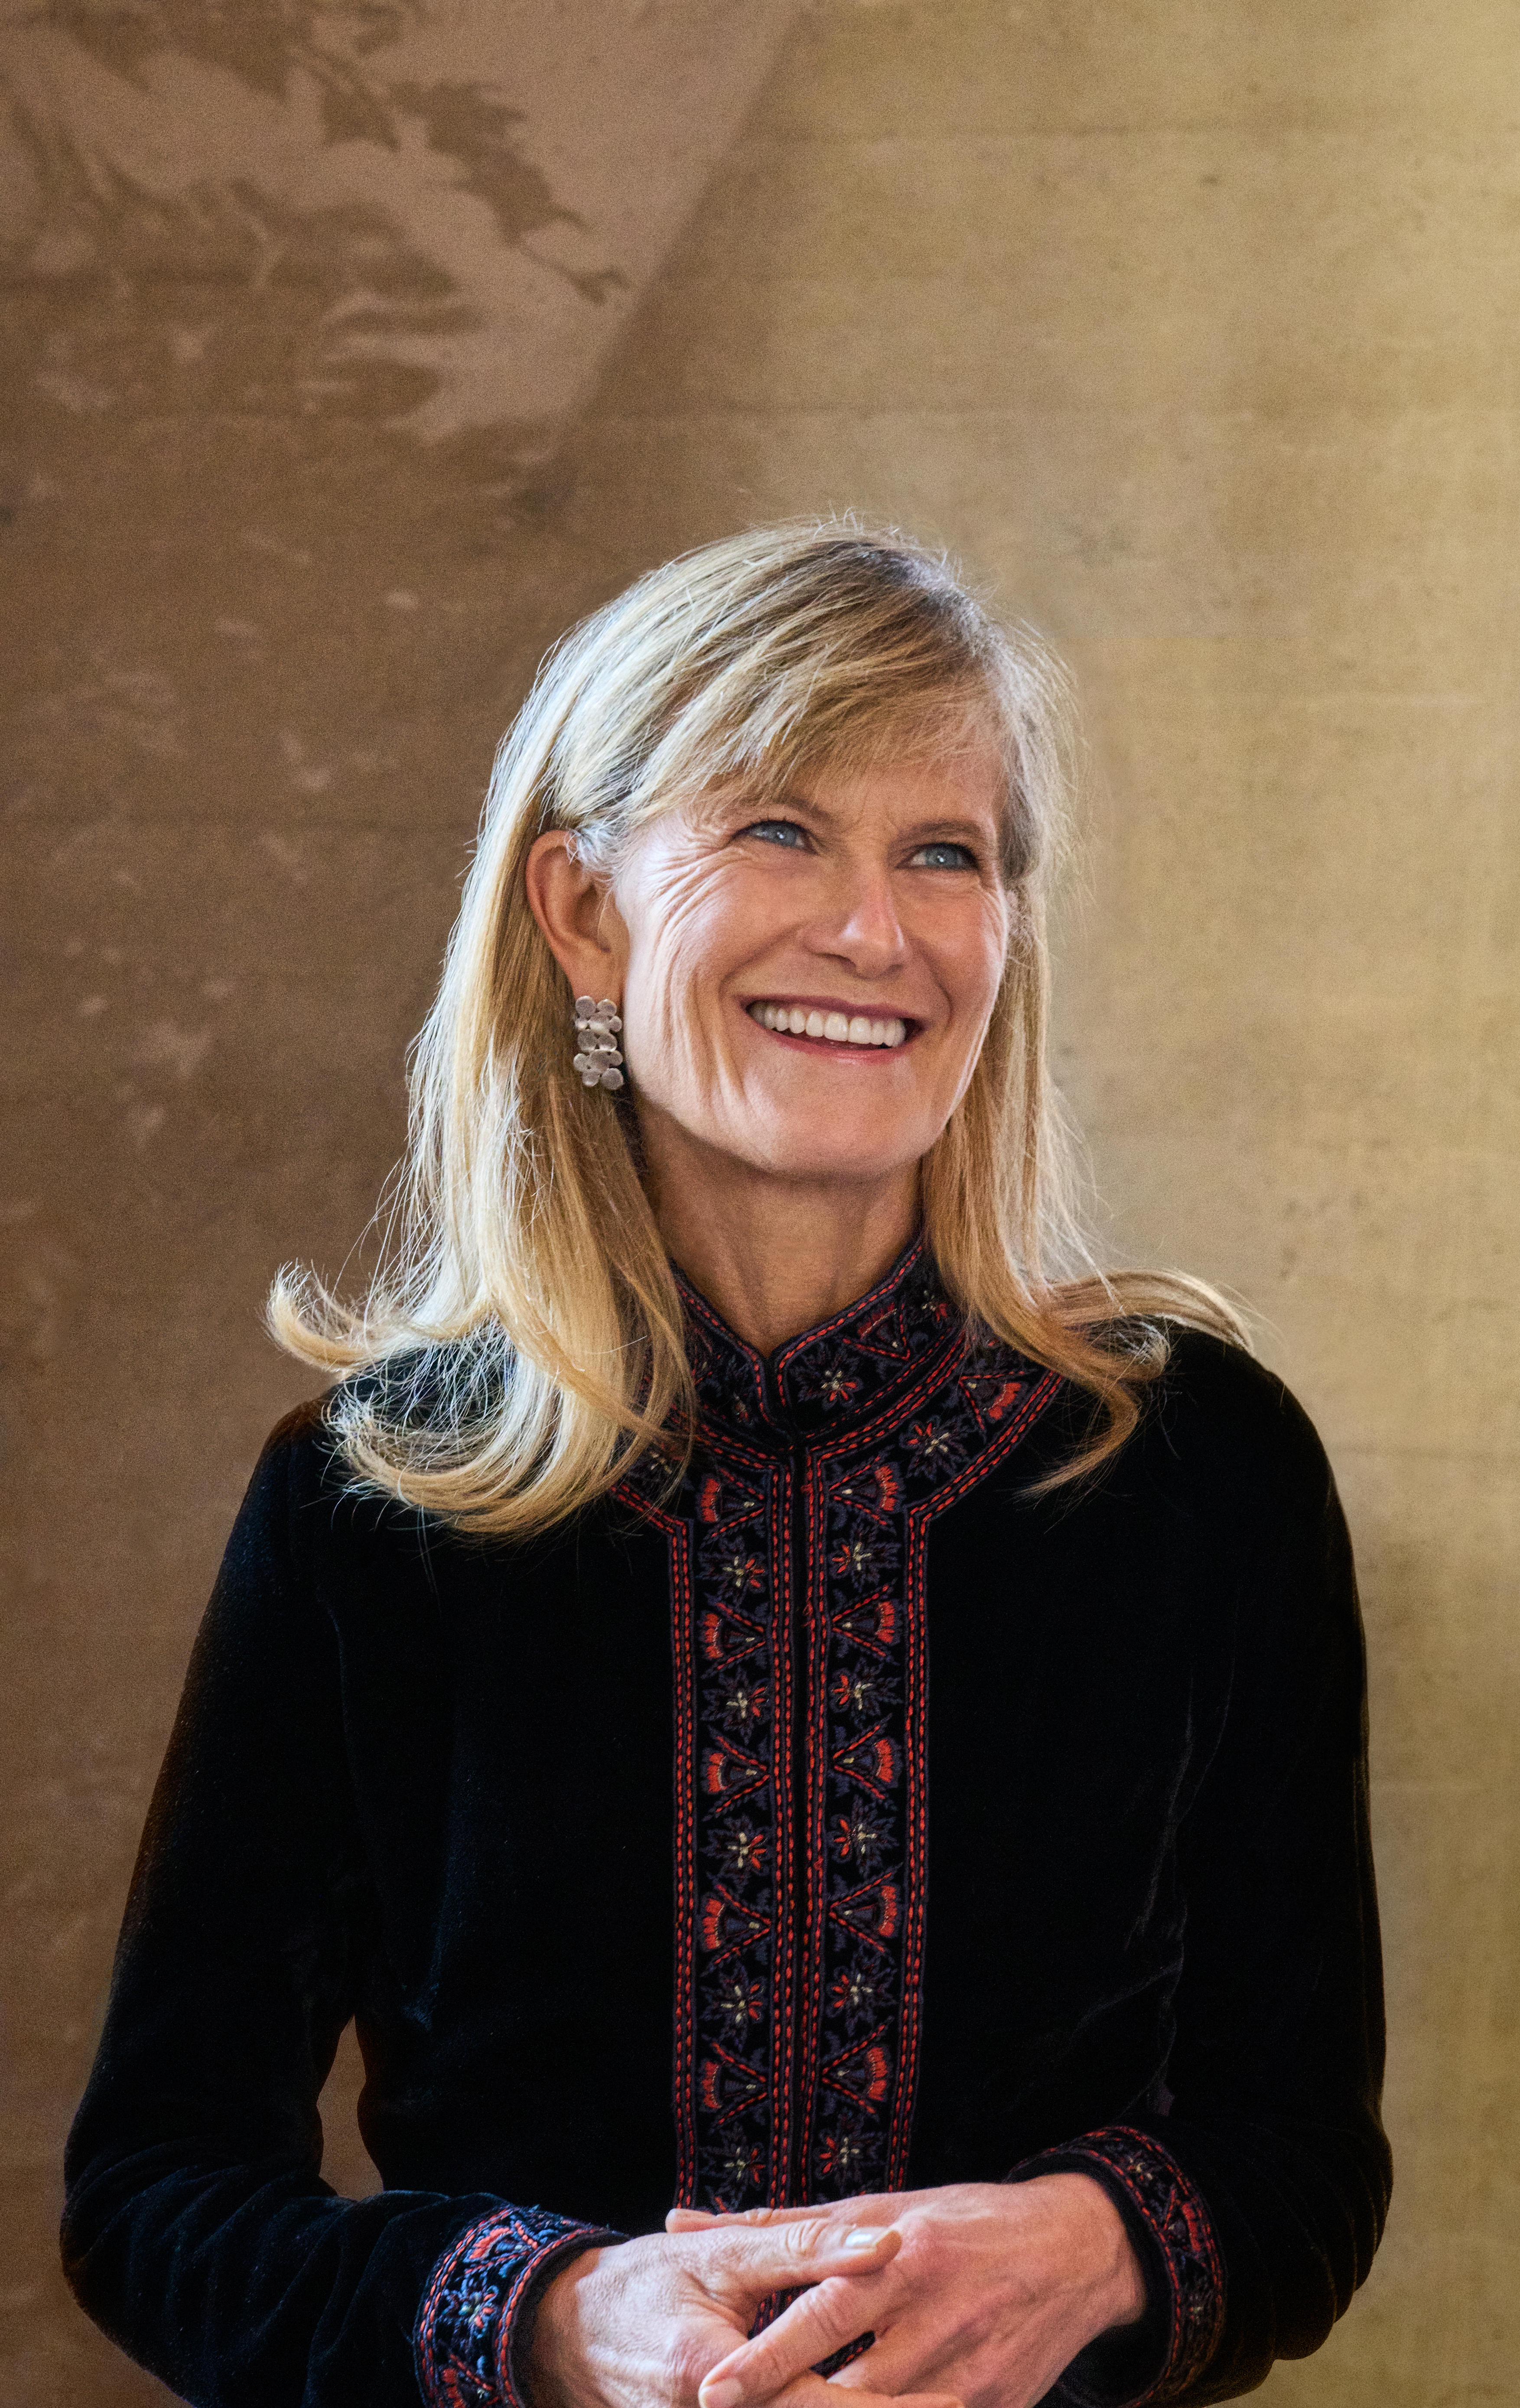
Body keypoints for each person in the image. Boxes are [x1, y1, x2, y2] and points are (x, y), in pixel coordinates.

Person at [62, 525, 1390, 2408]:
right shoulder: (374, 1502)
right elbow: (157, 2197)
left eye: (943, 854)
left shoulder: (1201, 1472)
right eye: (778, 830)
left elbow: (1301, 2166)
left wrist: (1090, 2246)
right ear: (581, 912)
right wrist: (552, 2317)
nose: (876, 932)